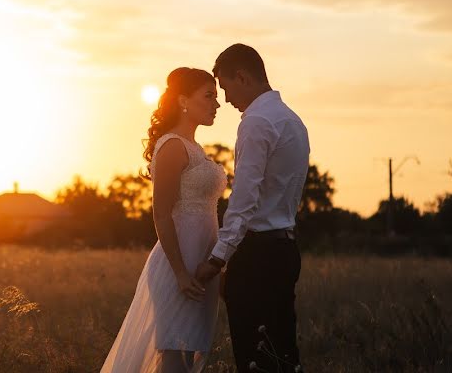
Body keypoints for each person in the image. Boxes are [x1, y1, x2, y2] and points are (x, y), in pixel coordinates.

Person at [102, 67, 227, 373]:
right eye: (208, 96)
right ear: (184, 101)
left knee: (185, 355)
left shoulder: (196, 149)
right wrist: (181, 273)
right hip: (177, 267)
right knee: (173, 355)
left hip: (202, 267)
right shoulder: (173, 146)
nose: (217, 104)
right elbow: (160, 214)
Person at [195, 44, 310, 373]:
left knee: (253, 357)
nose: (226, 100)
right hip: (286, 249)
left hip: (257, 255)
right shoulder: (292, 120)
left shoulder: (257, 122)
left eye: (227, 88)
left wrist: (218, 258)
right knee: (282, 353)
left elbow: (244, 199)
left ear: (243, 77)